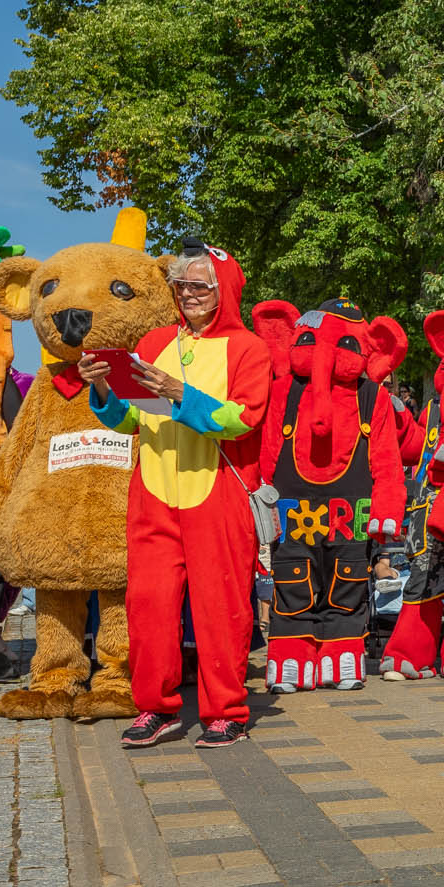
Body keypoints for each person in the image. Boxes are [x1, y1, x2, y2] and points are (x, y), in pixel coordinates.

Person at [98, 241, 270, 750]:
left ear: (225, 292)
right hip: (152, 492)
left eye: (201, 286)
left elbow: (243, 420)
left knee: (222, 607)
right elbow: (130, 419)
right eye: (181, 285)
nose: (188, 294)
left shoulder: (248, 349)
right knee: (148, 606)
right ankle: (156, 706)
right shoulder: (151, 344)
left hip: (216, 495)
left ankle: (227, 711)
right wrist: (105, 393)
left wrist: (181, 396)